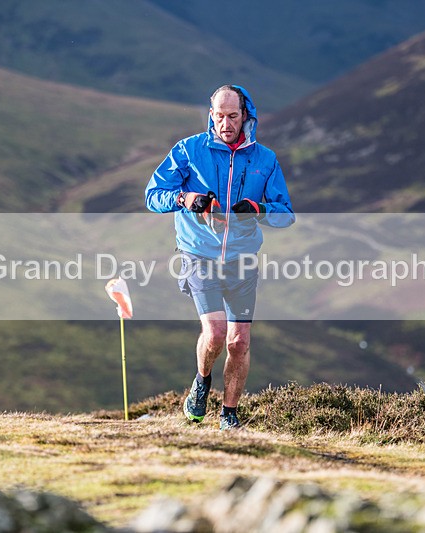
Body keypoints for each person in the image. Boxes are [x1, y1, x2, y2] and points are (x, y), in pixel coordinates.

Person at [145, 85, 295, 430]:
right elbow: (153, 195)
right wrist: (185, 199)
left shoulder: (265, 160)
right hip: (198, 255)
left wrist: (258, 209)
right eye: (218, 116)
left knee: (239, 341)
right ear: (210, 115)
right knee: (215, 333)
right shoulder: (188, 150)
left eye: (232, 116)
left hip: (242, 261)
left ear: (246, 116)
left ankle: (229, 415)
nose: (225, 123)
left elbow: (286, 214)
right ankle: (201, 381)